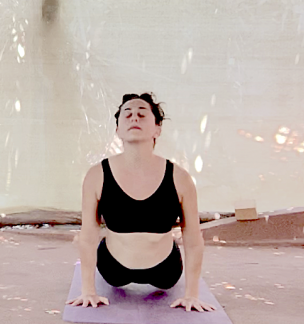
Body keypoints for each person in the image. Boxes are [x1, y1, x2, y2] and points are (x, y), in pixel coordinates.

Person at [68, 93, 214, 313]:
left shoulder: (180, 178)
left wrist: (191, 295)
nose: (134, 117)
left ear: (157, 129)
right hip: (113, 268)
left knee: (167, 274)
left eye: (142, 114)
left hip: (165, 269)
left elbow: (193, 238)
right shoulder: (96, 175)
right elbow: (88, 234)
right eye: (127, 114)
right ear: (118, 129)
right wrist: (88, 290)